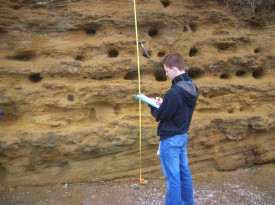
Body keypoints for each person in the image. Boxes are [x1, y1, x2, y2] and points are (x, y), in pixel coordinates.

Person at [149, 52, 198, 205]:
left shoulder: (174, 91)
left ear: (175, 69)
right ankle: (188, 202)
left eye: (167, 70)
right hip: (182, 136)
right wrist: (165, 102)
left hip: (170, 140)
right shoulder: (192, 87)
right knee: (184, 172)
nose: (166, 73)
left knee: (173, 177)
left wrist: (152, 104)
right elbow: (178, 108)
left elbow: (159, 115)